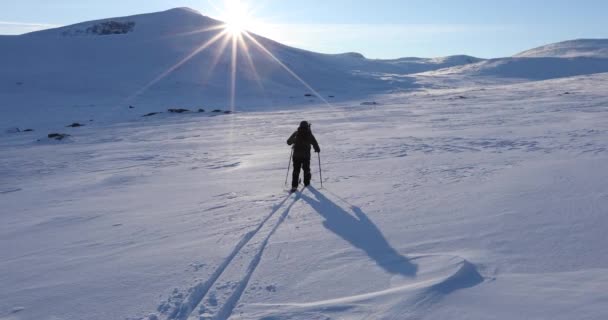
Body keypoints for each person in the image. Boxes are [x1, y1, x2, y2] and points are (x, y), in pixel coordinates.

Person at [287, 121, 320, 192]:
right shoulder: (309, 134)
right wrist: (317, 149)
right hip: (306, 156)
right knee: (306, 169)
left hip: (296, 156)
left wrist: (294, 140)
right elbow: (315, 143)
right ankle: (306, 183)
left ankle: (294, 186)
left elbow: (288, 142)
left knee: (296, 170)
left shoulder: (296, 133)